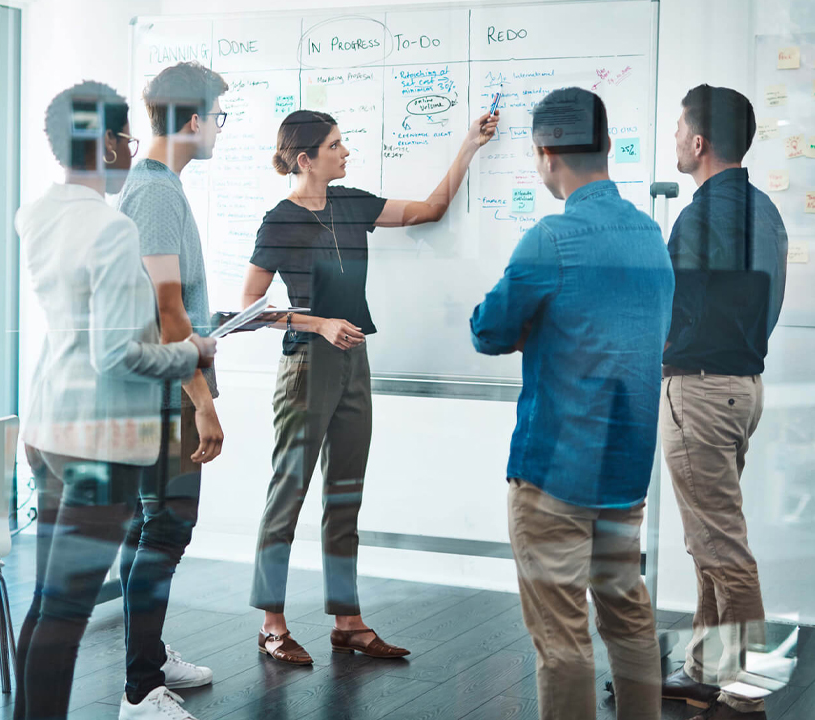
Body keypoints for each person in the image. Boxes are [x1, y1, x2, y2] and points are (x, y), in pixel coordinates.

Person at [243, 106, 498, 664]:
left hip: (355, 361)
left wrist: (468, 147)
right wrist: (316, 321)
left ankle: (348, 621)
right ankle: (272, 624)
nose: (346, 151)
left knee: (345, 494)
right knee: (288, 492)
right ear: (306, 158)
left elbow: (430, 210)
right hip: (306, 365)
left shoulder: (352, 202)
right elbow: (250, 310)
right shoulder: (278, 221)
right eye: (336, 145)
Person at [13, 81, 216, 720]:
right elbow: (120, 353)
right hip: (99, 438)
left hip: (49, 424)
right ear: (104, 141)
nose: (131, 146)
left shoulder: (38, 213)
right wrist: (195, 353)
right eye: (125, 135)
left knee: (51, 601)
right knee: (68, 611)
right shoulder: (110, 226)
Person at [471, 87, 672, 720]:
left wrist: (537, 326)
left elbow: (488, 331)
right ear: (608, 148)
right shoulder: (651, 239)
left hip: (555, 472)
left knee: (562, 639)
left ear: (544, 153)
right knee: (629, 617)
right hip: (625, 471)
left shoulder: (550, 240)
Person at [659, 84, 788, 720]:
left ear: (701, 142)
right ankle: (705, 668)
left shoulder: (700, 215)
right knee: (709, 540)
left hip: (700, 391)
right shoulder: (765, 211)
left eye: (680, 129)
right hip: (741, 390)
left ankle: (752, 683)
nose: (676, 140)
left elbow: (671, 311)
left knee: (721, 550)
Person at [113, 61, 227, 718]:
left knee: (153, 527)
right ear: (191, 120)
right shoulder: (155, 193)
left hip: (160, 389)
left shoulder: (158, 187)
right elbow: (166, 310)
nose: (218, 130)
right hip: (166, 394)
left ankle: (149, 662)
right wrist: (204, 402)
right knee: (165, 530)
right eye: (217, 117)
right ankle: (139, 692)